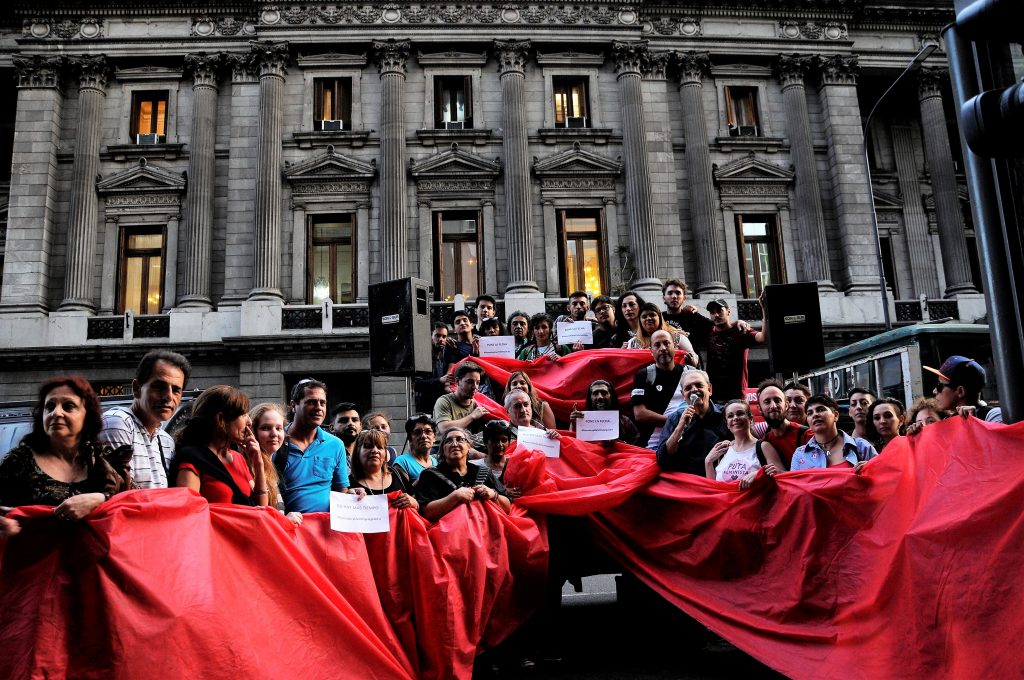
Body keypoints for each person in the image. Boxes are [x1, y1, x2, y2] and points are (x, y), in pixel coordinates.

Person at [0, 376, 133, 537]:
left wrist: (99, 499)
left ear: (87, 416)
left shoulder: (103, 461)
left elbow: (133, 502)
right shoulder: (19, 461)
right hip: (35, 559)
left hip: (90, 560)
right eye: (49, 406)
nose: (56, 413)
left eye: (68, 406)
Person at [98, 349, 191, 489]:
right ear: (137, 388)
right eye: (159, 387)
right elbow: (119, 491)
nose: (169, 397)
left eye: (176, 390)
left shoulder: (166, 441)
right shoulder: (117, 422)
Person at [171, 386, 268, 507]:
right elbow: (190, 514)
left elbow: (261, 508)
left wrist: (258, 464)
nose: (249, 422)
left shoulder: (238, 458)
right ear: (221, 419)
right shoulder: (191, 460)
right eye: (243, 415)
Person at [276, 379, 354, 514]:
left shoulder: (336, 445)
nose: (319, 407)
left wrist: (353, 495)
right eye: (311, 402)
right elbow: (269, 491)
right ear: (294, 406)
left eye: (322, 403)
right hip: (289, 527)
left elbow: (341, 490)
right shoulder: (276, 441)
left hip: (326, 529)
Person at [415, 426, 511, 521]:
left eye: (460, 439)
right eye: (448, 441)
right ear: (443, 449)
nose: (454, 444)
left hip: (484, 531)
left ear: (469, 446)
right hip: (450, 533)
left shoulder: (483, 472)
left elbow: (508, 506)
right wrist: (455, 496)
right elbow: (426, 512)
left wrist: (493, 495)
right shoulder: (430, 475)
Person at [656, 370, 730, 475]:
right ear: (683, 395)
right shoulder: (675, 418)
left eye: (699, 385)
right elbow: (662, 459)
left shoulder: (727, 414)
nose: (694, 390)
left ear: (709, 389)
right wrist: (680, 426)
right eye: (688, 388)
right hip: (687, 481)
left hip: (720, 478)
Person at [705, 399, 783, 488]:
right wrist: (708, 462)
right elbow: (712, 488)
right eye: (730, 416)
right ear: (727, 424)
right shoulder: (724, 450)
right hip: (725, 501)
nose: (735, 418)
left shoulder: (763, 447)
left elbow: (783, 476)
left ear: (750, 419)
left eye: (740, 414)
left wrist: (760, 473)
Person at [249, 402, 304, 525]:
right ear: (253, 432)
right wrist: (283, 520)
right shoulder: (249, 466)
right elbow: (254, 517)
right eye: (266, 428)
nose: (274, 434)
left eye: (279, 428)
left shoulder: (273, 465)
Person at [790, 395, 877, 471]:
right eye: (810, 413)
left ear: (835, 415)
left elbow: (882, 476)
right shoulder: (800, 454)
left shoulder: (861, 447)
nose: (815, 415)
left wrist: (871, 469)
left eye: (820, 409)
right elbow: (795, 487)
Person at [631, 329, 685, 449]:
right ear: (651, 351)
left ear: (675, 346)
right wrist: (677, 422)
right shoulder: (643, 375)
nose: (663, 348)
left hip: (686, 439)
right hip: (653, 444)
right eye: (657, 345)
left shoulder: (688, 373)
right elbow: (640, 414)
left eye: (666, 343)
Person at [705, 297, 766, 402]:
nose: (716, 315)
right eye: (712, 312)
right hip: (713, 396)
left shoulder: (741, 331)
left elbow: (762, 337)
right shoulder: (708, 332)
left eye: (720, 311)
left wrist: (765, 311)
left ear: (728, 311)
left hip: (736, 396)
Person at [347, 430, 418, 511]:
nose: (375, 450)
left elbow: (418, 506)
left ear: (385, 453)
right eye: (368, 446)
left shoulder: (397, 475)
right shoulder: (348, 484)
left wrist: (414, 503)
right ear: (357, 452)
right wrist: (347, 499)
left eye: (380, 447)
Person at [924, 355, 1002, 423]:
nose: (934, 391)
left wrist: (975, 423)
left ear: (960, 391)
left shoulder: (993, 415)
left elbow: (997, 440)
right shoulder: (947, 420)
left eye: (940, 386)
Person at [755, 378, 812, 469]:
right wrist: (730, 444)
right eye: (767, 402)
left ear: (786, 405)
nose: (773, 406)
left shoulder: (807, 436)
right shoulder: (764, 439)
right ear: (759, 409)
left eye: (777, 400)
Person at [433, 361, 489, 449]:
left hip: (465, 447)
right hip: (442, 447)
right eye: (470, 382)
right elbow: (444, 428)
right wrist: (472, 416)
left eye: (477, 383)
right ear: (458, 381)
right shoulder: (444, 401)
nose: (475, 387)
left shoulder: (477, 404)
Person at [569, 379, 639, 446]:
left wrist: (620, 444)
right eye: (595, 393)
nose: (600, 397)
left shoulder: (624, 421)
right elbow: (572, 443)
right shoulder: (580, 420)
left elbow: (638, 445)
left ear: (611, 396)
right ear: (590, 398)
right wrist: (575, 424)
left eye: (604, 393)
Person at [660, 279, 713, 351]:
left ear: (684, 298)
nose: (674, 296)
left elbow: (716, 327)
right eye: (670, 293)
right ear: (664, 298)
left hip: (691, 360)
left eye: (678, 293)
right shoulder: (659, 318)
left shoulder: (692, 316)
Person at [414, 322, 453, 414]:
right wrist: (439, 380)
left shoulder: (446, 357)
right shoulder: (422, 358)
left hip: (442, 407)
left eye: (444, 336)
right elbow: (416, 384)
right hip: (425, 407)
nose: (441, 339)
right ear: (430, 337)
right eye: (437, 336)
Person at [473, 419, 514, 496]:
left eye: (504, 440)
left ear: (509, 443)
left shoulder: (514, 466)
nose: (500, 444)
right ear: (485, 442)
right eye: (495, 440)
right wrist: (503, 491)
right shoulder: (474, 466)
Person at [394, 413, 437, 481]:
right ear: (409, 438)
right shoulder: (402, 463)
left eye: (428, 431)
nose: (423, 436)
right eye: (417, 432)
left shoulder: (436, 462)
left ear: (434, 437)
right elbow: (403, 491)